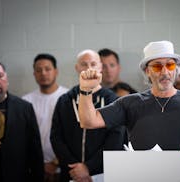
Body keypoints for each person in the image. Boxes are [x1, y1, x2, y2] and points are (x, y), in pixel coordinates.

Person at [78, 40, 180, 151]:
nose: (165, 72)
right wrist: (85, 90)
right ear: (147, 71)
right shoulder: (130, 103)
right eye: (158, 67)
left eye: (170, 65)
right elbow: (88, 121)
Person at [50, 50, 126, 182]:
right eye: (84, 64)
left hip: (102, 173)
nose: (89, 68)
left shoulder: (113, 100)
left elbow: (116, 138)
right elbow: (56, 137)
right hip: (71, 172)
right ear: (77, 68)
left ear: (100, 67)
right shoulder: (65, 100)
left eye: (93, 64)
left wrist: (88, 167)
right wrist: (75, 168)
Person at [22, 53, 68, 182]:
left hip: (64, 168)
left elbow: (72, 135)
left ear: (56, 71)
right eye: (38, 70)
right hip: (35, 168)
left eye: (47, 69)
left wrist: (55, 162)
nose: (43, 73)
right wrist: (39, 164)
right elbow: (24, 137)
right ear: (34, 74)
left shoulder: (68, 98)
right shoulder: (25, 102)